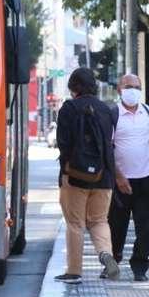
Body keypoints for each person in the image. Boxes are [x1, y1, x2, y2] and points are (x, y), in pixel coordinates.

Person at [54, 68, 120, 284]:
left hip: (75, 176)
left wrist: (65, 171)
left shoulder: (68, 109)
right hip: (104, 177)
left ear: (73, 87)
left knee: (75, 223)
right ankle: (106, 254)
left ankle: (74, 271)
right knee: (99, 220)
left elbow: (63, 144)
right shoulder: (107, 110)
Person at [108, 74, 149, 282]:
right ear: (119, 89)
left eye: (137, 86)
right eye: (128, 86)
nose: (133, 90)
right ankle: (113, 261)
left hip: (145, 178)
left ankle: (140, 266)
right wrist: (118, 176)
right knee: (117, 226)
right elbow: (108, 148)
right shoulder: (113, 114)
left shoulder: (147, 111)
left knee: (145, 227)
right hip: (120, 180)